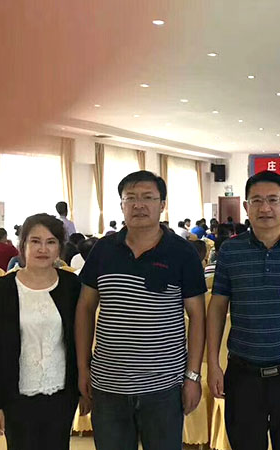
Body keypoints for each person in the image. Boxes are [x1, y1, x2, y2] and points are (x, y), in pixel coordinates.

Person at [75, 170, 206, 450]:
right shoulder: (103, 250)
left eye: (148, 197)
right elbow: (85, 308)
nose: (138, 205)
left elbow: (198, 317)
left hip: (164, 388)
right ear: (121, 205)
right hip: (108, 385)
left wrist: (193, 376)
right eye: (130, 198)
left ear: (162, 204)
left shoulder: (182, 253)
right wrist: (83, 367)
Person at [207, 170, 280, 450]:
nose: (265, 208)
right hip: (243, 374)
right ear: (246, 207)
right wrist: (213, 364)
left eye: (273, 200)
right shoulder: (230, 251)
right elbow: (218, 307)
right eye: (257, 201)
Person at [0, 213, 83, 449]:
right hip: (16, 395)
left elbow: (78, 339)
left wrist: (83, 390)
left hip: (61, 393)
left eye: (51, 242)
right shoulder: (2, 290)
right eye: (35, 241)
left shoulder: (71, 285)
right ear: (23, 245)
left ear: (59, 248)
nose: (43, 249)